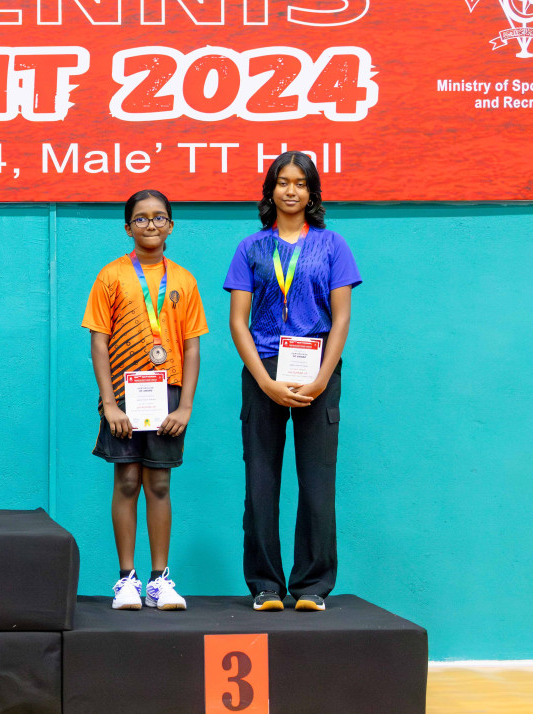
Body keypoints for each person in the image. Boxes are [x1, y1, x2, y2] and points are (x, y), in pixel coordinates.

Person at [225, 151, 361, 612]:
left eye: (300, 183)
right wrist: (263, 381)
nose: (290, 190)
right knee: (260, 483)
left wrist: (323, 378)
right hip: (264, 369)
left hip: (318, 371)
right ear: (271, 191)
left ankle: (312, 586)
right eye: (282, 182)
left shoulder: (333, 245)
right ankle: (265, 585)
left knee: (317, 484)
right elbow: (238, 322)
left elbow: (341, 318)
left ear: (311, 192)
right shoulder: (250, 248)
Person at [83, 190, 207, 611]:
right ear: (127, 227)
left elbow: (191, 349)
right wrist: (109, 404)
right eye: (141, 218)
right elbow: (98, 344)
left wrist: (185, 406)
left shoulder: (185, 281)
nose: (150, 225)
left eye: (158, 218)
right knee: (127, 481)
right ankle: (126, 580)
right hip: (122, 394)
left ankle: (159, 580)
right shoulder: (111, 276)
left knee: (158, 482)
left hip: (167, 395)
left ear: (171, 224)